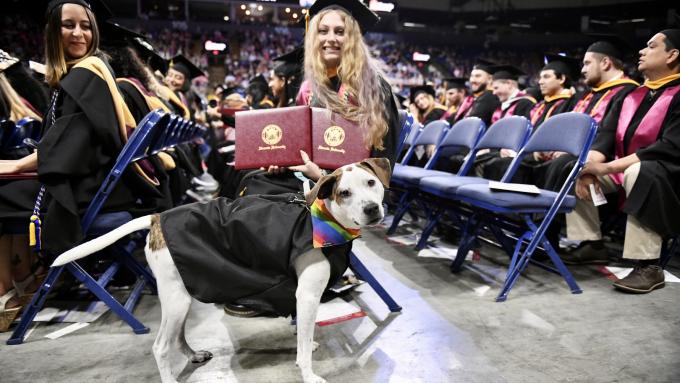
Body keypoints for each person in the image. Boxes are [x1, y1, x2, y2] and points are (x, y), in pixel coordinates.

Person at [238, 0, 400, 197]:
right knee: (251, 177)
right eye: (323, 31)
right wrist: (281, 160)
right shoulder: (318, 86)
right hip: (310, 179)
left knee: (259, 191)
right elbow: (301, 148)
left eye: (340, 32)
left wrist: (323, 176)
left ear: (352, 39)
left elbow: (381, 159)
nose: (330, 38)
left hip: (346, 190)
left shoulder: (373, 87)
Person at [563, 29, 680, 293]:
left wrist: (607, 167)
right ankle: (591, 244)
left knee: (641, 170)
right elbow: (605, 137)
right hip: (628, 170)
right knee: (577, 169)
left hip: (669, 176)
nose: (641, 51)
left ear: (673, 55)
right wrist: (591, 166)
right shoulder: (632, 95)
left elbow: (669, 148)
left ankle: (648, 266)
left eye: (651, 46)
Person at [452, 60, 501, 127]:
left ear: (490, 79)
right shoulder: (472, 99)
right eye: (472, 76)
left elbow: (469, 126)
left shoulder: (489, 97)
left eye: (478, 76)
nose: (472, 80)